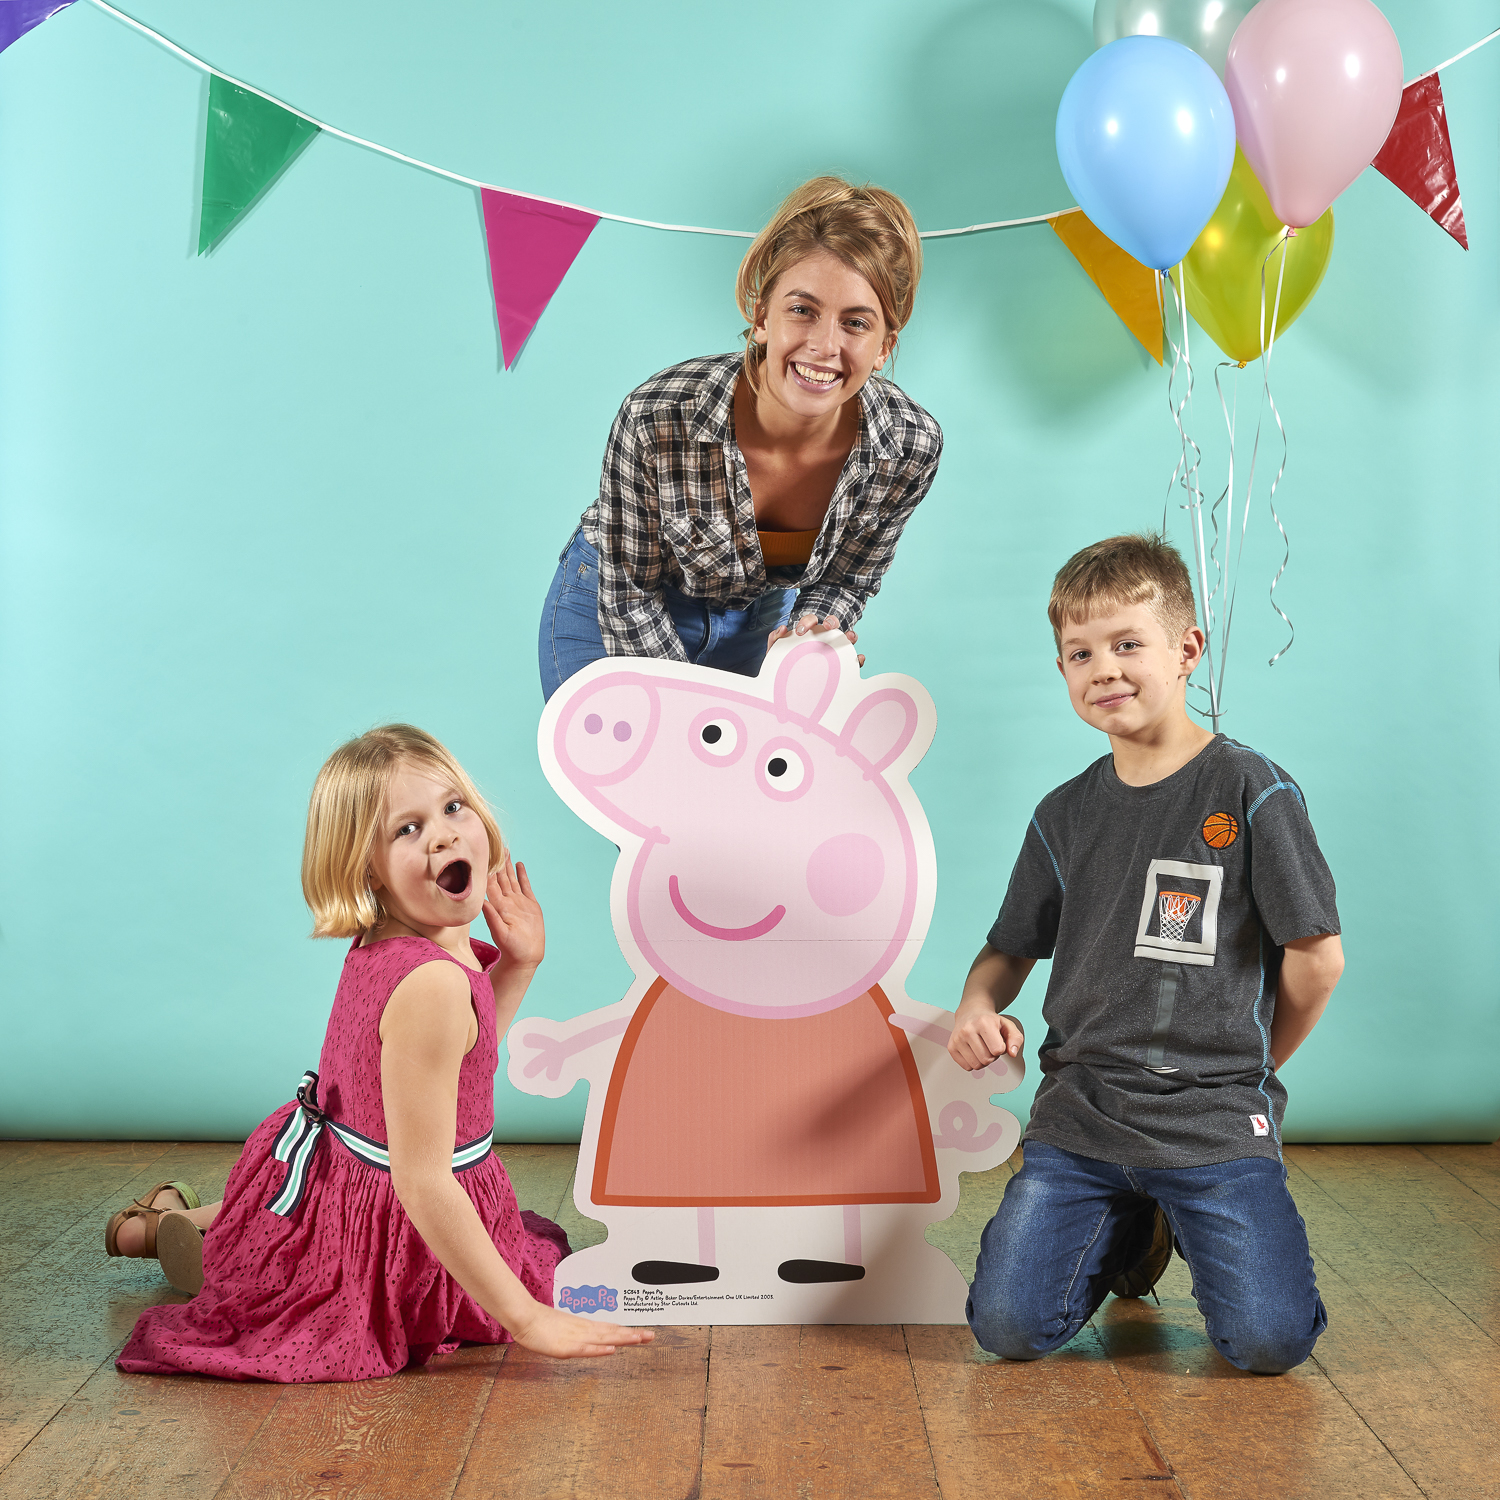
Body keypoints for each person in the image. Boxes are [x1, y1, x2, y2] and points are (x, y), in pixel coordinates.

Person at [109, 724, 652, 1380]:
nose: (444, 836)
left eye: (453, 807)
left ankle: (168, 1224)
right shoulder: (431, 983)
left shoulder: (397, 936)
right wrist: (527, 1319)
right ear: (367, 867)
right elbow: (422, 1182)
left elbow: (464, 1061)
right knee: (272, 1294)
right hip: (379, 1217)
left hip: (330, 1171)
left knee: (260, 1242)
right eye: (408, 829)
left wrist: (520, 964)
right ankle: (184, 1237)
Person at [950, 534, 1344, 1375]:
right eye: (1080, 653)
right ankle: (1129, 1226)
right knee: (1008, 1328)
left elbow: (1317, 960)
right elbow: (1006, 948)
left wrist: (1249, 1067)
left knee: (1269, 1343)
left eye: (1128, 644)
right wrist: (977, 1006)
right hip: (1082, 1115)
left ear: (1187, 649)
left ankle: (1179, 1207)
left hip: (1211, 1123)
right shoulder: (1062, 814)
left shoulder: (1251, 789)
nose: (1105, 670)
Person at [538, 175, 942, 700]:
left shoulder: (908, 448)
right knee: (658, 752)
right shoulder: (658, 416)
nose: (824, 345)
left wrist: (809, 642)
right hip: (616, 607)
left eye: (856, 323)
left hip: (756, 623)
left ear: (884, 346)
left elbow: (846, 579)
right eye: (802, 310)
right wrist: (690, 711)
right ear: (761, 317)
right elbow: (630, 592)